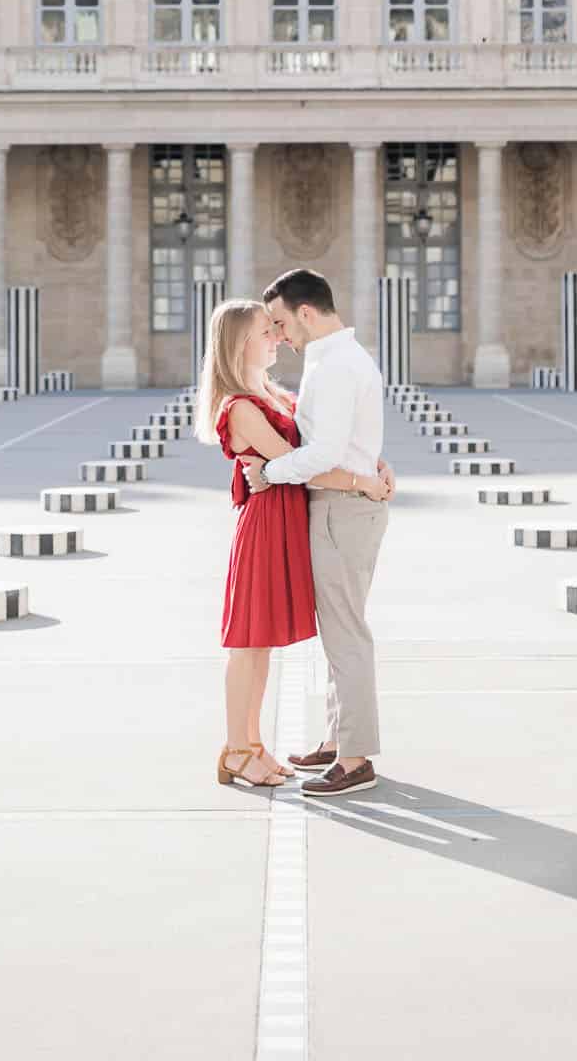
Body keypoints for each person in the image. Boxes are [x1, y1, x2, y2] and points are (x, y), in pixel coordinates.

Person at [195, 298, 390, 790]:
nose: (277, 338)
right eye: (267, 331)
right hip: (264, 526)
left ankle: (252, 744)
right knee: (248, 643)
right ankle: (237, 749)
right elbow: (294, 459)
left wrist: (371, 464)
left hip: (284, 519)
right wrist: (359, 482)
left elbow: (321, 442)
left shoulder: (271, 393)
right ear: (241, 343)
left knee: (260, 646)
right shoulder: (239, 405)